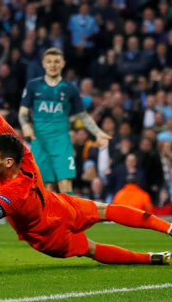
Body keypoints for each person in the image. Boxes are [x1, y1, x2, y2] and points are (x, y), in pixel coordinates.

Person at [0, 86, 172, 265]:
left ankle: (152, 257)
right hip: (59, 206)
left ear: (7, 161)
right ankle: (169, 228)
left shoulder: (11, 193)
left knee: (91, 248)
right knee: (105, 210)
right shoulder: (24, 154)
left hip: (48, 235)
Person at [18, 48, 111, 195]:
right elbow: (23, 112)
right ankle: (46, 217)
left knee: (65, 181)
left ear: (63, 64)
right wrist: (25, 126)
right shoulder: (33, 86)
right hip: (40, 140)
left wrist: (98, 133)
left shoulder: (70, 88)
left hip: (62, 141)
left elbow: (83, 116)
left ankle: (67, 216)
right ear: (43, 64)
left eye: (56, 61)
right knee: (44, 183)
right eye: (49, 61)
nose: (53, 65)